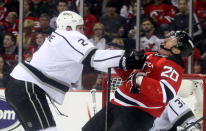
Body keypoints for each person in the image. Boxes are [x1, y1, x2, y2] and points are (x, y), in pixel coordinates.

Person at [4, 10, 139, 131]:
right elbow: (94, 58)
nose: (82, 32)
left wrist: (120, 60)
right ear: (68, 27)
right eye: (80, 28)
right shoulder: (68, 36)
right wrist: (126, 57)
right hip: (27, 88)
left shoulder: (59, 37)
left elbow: (95, 61)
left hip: (20, 86)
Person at [82, 30, 194, 131]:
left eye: (170, 40)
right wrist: (123, 63)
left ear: (176, 50)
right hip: (116, 105)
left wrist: (140, 80)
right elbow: (129, 78)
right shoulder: (151, 55)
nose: (165, 40)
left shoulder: (174, 67)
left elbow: (165, 93)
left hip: (137, 114)